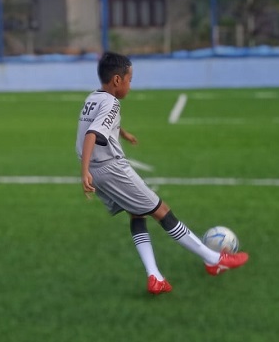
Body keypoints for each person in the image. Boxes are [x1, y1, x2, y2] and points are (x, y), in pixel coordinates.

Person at [77, 52, 249, 294]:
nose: (130, 85)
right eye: (129, 79)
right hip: (110, 168)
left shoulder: (93, 98)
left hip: (99, 170)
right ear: (117, 80)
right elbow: (92, 134)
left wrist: (122, 133)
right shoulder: (112, 103)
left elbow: (97, 124)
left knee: (138, 214)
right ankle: (213, 258)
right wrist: (84, 173)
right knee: (162, 211)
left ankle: (155, 276)